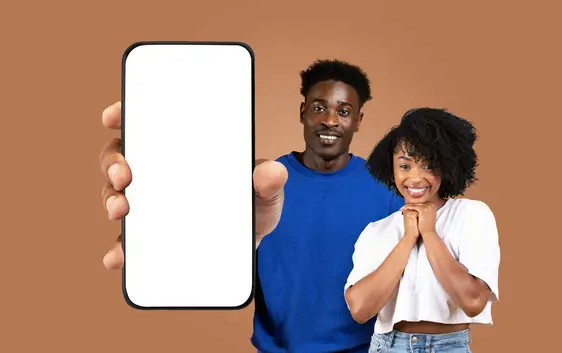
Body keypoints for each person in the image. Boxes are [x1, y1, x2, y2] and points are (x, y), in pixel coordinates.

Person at [98, 59, 405, 353]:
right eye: (319, 108)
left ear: (358, 121)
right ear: (302, 112)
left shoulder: (388, 191)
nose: (329, 120)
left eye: (344, 111)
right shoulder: (259, 187)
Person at [343, 108, 501, 353]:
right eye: (405, 166)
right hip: (387, 347)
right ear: (392, 170)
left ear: (448, 167)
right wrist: (408, 239)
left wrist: (429, 234)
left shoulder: (471, 215)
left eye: (428, 165)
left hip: (449, 347)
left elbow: (473, 301)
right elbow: (361, 310)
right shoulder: (376, 231)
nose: (415, 178)